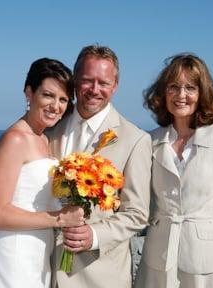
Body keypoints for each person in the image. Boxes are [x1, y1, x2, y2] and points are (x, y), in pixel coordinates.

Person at [135, 53, 213, 288]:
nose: (181, 95)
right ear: (163, 92)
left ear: (202, 94)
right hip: (159, 261)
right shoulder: (149, 141)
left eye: (190, 87)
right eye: (174, 87)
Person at [48, 45, 152, 288]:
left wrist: (94, 236)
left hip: (99, 278)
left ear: (115, 86)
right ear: (75, 82)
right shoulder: (51, 130)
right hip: (43, 271)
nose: (95, 90)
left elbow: (136, 214)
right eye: (87, 80)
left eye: (103, 83)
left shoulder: (135, 140)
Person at [0, 58, 85, 288]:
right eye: (48, 95)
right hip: (13, 259)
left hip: (38, 257)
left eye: (63, 99)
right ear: (29, 93)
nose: (56, 106)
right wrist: (59, 218)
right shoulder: (15, 139)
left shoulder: (43, 139)